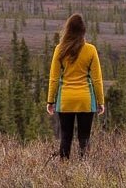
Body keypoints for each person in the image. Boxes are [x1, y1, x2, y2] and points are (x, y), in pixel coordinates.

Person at [46, 13, 105, 160]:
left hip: (65, 100)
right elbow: (97, 79)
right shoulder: (90, 50)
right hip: (85, 100)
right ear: (83, 31)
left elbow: (54, 78)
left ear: (67, 30)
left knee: (66, 137)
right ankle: (85, 170)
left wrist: (50, 101)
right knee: (84, 138)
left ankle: (64, 169)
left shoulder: (59, 49)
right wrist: (100, 101)